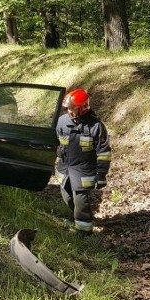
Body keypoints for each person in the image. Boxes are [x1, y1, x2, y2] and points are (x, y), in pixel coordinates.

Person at [56, 88, 112, 234]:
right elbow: (55, 142)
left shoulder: (96, 127)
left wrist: (101, 175)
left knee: (80, 199)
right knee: (67, 196)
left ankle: (84, 232)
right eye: (68, 108)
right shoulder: (61, 122)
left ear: (83, 108)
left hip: (83, 170)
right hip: (65, 169)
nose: (69, 111)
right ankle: (80, 219)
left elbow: (104, 153)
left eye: (73, 109)